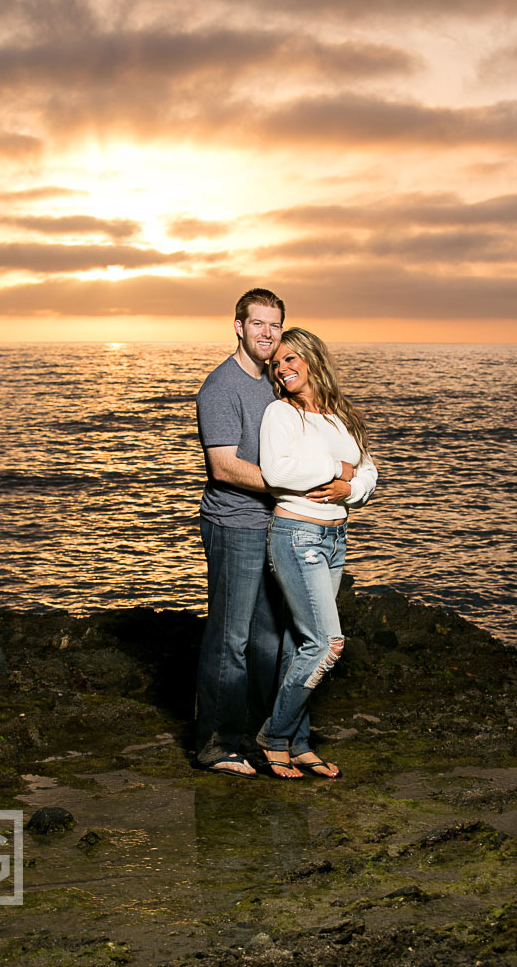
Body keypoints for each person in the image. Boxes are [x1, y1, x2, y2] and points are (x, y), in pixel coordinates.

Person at [257, 328, 378, 780]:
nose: (283, 369)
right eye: (277, 363)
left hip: (335, 537)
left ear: (311, 359)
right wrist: (334, 469)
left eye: (291, 359)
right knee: (328, 644)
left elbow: (368, 468)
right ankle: (274, 735)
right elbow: (276, 471)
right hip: (296, 534)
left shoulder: (339, 414)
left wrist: (352, 486)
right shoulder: (280, 413)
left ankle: (299, 743)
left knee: (300, 645)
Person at [195, 288, 286, 777]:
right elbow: (224, 467)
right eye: (258, 324)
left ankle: (254, 735)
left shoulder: (275, 382)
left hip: (274, 527)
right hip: (233, 526)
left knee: (269, 640)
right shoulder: (220, 387)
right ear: (238, 326)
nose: (267, 334)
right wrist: (293, 487)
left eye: (274, 325)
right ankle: (215, 745)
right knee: (229, 639)